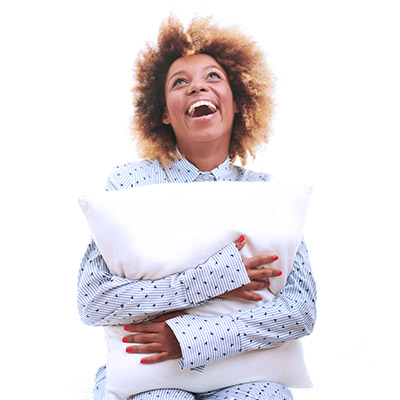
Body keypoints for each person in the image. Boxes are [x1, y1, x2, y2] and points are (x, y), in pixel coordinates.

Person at [78, 15, 317, 400]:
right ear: (162, 112)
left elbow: (301, 310)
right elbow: (93, 301)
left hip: (246, 376)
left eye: (213, 77)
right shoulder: (130, 184)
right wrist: (216, 280)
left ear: (237, 102)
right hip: (152, 378)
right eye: (179, 82)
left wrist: (192, 337)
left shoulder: (266, 194)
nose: (197, 87)